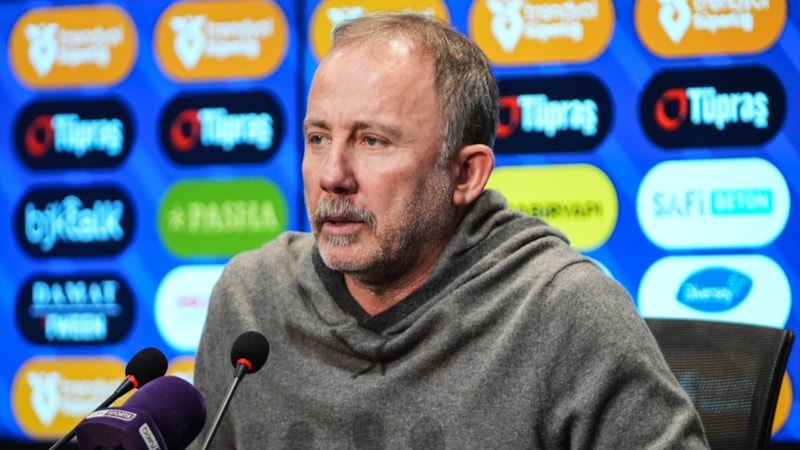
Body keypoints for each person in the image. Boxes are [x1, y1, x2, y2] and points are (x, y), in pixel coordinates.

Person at [190, 12, 710, 449]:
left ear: (465, 174)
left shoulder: (562, 310)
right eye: (319, 138)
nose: (332, 175)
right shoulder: (251, 300)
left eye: (372, 141)